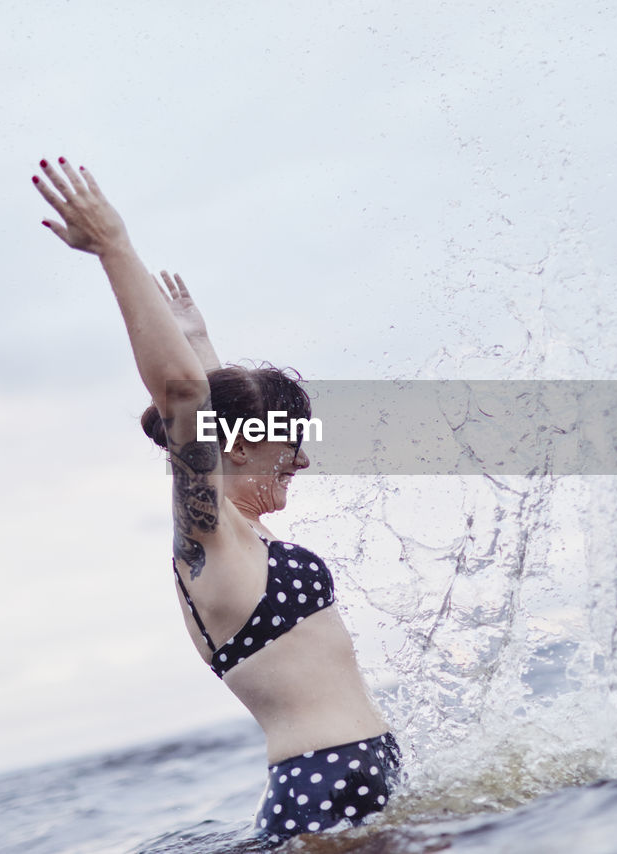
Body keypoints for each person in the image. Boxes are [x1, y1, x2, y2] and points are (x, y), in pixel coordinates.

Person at [31, 158, 400, 843]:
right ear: (235, 449)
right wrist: (116, 248)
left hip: (342, 780)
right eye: (287, 449)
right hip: (322, 789)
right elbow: (185, 398)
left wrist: (200, 342)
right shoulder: (208, 538)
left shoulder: (236, 531)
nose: (303, 462)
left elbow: (210, 404)